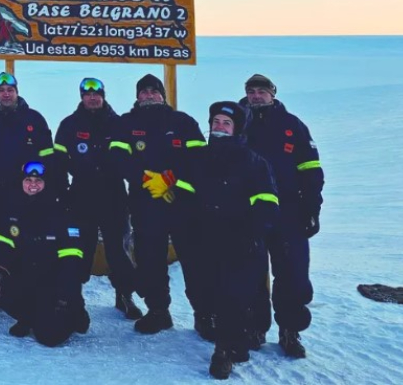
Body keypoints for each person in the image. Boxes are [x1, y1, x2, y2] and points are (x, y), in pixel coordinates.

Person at [107, 74, 210, 336]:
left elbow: (200, 161)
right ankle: (158, 312)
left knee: (194, 260)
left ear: (163, 95)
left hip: (183, 204)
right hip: (145, 204)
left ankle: (205, 313)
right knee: (150, 260)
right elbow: (118, 158)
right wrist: (145, 178)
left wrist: (169, 181)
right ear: (137, 96)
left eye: (154, 91)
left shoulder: (183, 122)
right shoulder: (126, 123)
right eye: (144, 92)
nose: (149, 95)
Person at [240, 74, 324, 358]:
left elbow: (311, 169)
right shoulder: (237, 123)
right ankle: (254, 327)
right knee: (250, 273)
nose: (256, 96)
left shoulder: (292, 126)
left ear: (273, 94)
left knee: (293, 275)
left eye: (262, 91)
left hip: (289, 213)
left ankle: (290, 330)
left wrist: (312, 208)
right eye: (251, 91)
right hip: (247, 213)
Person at [194, 102, 279, 379]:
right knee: (211, 291)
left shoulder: (254, 162)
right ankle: (233, 339)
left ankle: (224, 351)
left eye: (225, 123)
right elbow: (185, 193)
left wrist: (252, 233)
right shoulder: (200, 157)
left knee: (235, 294)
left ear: (237, 129)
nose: (219, 127)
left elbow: (267, 202)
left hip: (241, 240)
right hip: (206, 238)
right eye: (216, 121)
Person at [54, 77, 142, 321]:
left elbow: (131, 160)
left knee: (119, 250)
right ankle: (74, 295)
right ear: (81, 96)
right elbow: (59, 164)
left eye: (97, 94)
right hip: (81, 195)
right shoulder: (69, 125)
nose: (92, 98)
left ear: (103, 95)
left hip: (113, 195)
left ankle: (124, 295)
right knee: (79, 249)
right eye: (87, 94)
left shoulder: (118, 124)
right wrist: (61, 193)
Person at [0, 161, 89, 346]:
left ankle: (74, 311)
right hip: (25, 275)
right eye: (28, 179)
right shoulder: (11, 207)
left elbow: (72, 257)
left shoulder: (61, 210)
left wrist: (66, 294)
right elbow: (2, 242)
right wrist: (2, 269)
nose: (33, 184)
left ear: (47, 183)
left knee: (49, 337)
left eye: (38, 180)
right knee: (2, 290)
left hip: (54, 282)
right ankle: (28, 318)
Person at [0, 72, 56, 208]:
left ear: (17, 91)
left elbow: (48, 158)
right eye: (1, 90)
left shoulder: (35, 119)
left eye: (10, 90)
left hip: (28, 192)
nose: (6, 94)